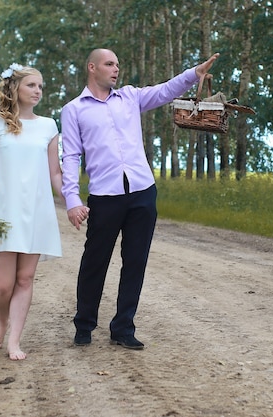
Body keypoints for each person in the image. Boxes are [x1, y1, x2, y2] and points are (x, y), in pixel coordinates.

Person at [60, 48, 219, 349]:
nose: (115, 69)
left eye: (118, 64)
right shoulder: (74, 109)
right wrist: (72, 199)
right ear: (92, 67)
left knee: (135, 261)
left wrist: (193, 74)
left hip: (142, 192)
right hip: (104, 196)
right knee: (95, 261)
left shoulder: (130, 97)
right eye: (109, 64)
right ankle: (84, 325)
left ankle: (123, 327)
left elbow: (164, 91)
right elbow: (70, 156)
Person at [0, 63, 69, 360]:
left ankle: (14, 340)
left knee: (25, 279)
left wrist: (73, 201)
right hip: (4, 213)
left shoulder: (48, 125)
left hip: (36, 211)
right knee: (4, 284)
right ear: (15, 88)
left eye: (41, 87)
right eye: (32, 85)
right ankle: (2, 322)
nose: (38, 91)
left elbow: (55, 172)